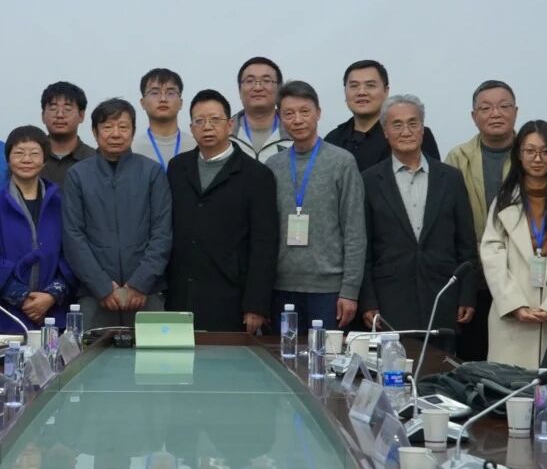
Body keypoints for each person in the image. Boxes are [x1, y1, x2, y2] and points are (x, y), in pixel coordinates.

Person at [359, 94, 478, 344]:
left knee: (440, 366)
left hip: (442, 296)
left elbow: (466, 243)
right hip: (390, 298)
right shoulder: (369, 181)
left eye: (413, 123)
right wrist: (367, 301)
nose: (406, 131)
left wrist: (467, 294)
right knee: (394, 366)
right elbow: (364, 248)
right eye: (397, 124)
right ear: (385, 131)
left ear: (423, 129)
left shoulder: (451, 178)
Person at [479, 120, 547, 369]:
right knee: (509, 385)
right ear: (519, 155)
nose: (537, 158)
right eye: (530, 151)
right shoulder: (504, 200)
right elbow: (492, 255)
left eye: (545, 151)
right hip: (512, 318)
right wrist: (514, 304)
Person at [165, 89, 278, 332]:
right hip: (181, 293)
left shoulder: (257, 175)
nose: (207, 127)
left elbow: (264, 244)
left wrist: (256, 304)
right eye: (199, 121)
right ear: (191, 128)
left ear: (229, 125)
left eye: (215, 120)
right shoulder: (177, 168)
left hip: (230, 297)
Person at [62, 98, 173, 329]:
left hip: (147, 292)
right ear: (95, 132)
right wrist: (102, 286)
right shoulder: (77, 175)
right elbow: (73, 236)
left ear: (133, 131)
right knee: (90, 351)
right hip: (95, 294)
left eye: (123, 127)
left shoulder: (152, 172)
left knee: (155, 353)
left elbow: (162, 232)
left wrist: (140, 283)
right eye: (107, 127)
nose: (115, 134)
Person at [265, 81, 365, 330]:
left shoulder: (342, 162)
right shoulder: (273, 166)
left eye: (305, 111)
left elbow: (354, 230)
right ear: (279, 118)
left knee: (325, 354)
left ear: (318, 113)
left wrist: (350, 290)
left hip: (329, 290)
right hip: (281, 287)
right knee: (283, 353)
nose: (297, 120)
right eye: (289, 113)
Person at [0, 126, 75, 332]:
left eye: (34, 153)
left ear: (45, 160)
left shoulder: (61, 205)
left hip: (51, 315)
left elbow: (73, 255)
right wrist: (23, 297)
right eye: (19, 153)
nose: (26, 159)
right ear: (8, 160)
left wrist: (51, 295)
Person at [444, 79, 519, 360]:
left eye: (503, 106)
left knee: (514, 358)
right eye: (486, 108)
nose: (495, 113)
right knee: (471, 358)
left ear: (515, 111)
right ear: (474, 116)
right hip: (474, 277)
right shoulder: (457, 157)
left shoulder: (532, 154)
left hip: (519, 275)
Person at [324, 60, 442, 171]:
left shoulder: (413, 135)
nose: (361, 92)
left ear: (386, 91)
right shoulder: (333, 139)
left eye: (370, 85)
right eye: (354, 86)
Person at [131, 68, 197, 168]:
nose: (163, 99)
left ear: (180, 103)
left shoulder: (196, 146)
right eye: (155, 93)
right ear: (143, 103)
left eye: (170, 93)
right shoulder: (133, 150)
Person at [230, 57, 291, 161]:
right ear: (239, 90)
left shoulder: (295, 131)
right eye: (250, 81)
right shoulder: (223, 134)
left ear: (279, 89)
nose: (258, 88)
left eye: (266, 81)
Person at [40, 81, 96, 186]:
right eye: (53, 108)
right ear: (43, 116)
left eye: (68, 109)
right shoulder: (31, 159)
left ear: (81, 116)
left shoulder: (95, 159)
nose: (60, 115)